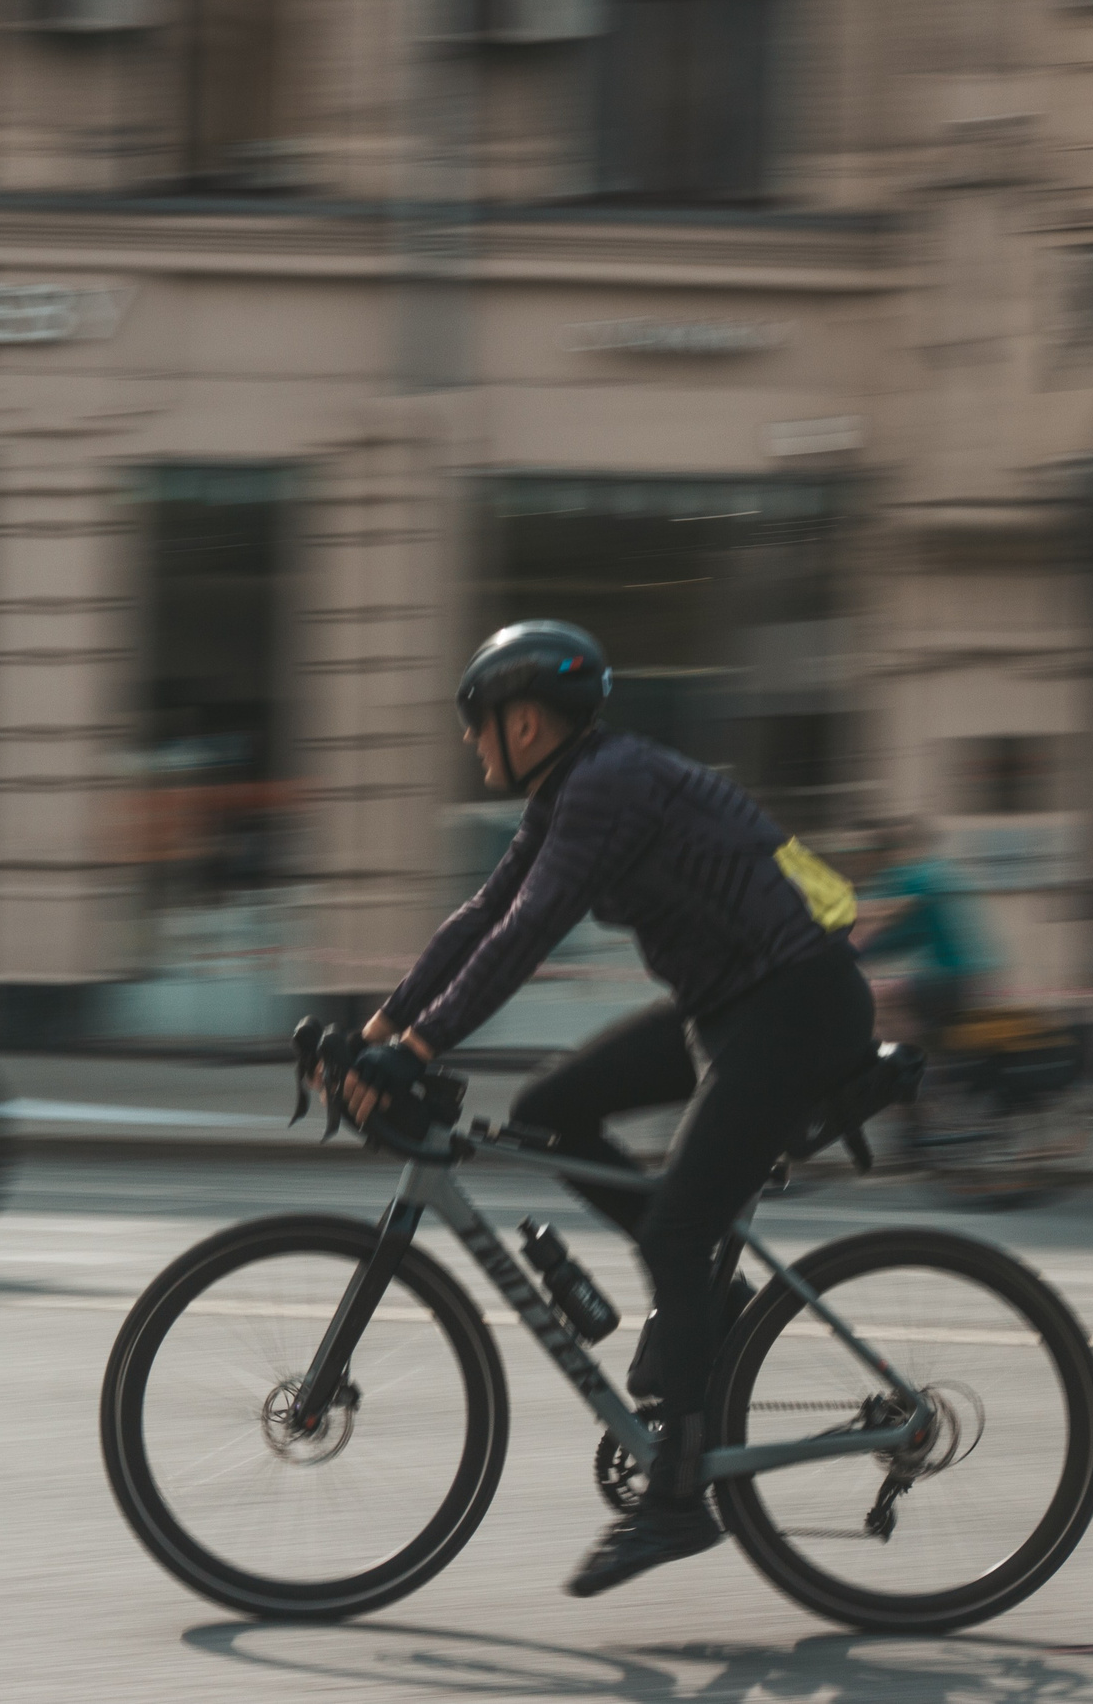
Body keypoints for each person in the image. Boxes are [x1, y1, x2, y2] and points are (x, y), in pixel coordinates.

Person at [332, 620, 875, 1600]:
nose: (471, 742)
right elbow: (483, 914)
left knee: (675, 1228)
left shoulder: (608, 786)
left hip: (796, 1006)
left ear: (526, 722)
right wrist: (382, 1022)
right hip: (734, 1006)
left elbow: (528, 933)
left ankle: (676, 1502)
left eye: (479, 723)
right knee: (546, 1111)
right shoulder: (577, 786)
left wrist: (416, 1050)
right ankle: (706, 1297)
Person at [850, 817, 995, 1051]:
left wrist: (851, 952)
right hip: (971, 976)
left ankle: (911, 1063)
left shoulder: (915, 876)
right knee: (893, 996)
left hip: (952, 977)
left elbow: (867, 913)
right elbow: (905, 937)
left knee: (883, 996)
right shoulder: (936, 872)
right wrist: (861, 953)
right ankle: (924, 1061)